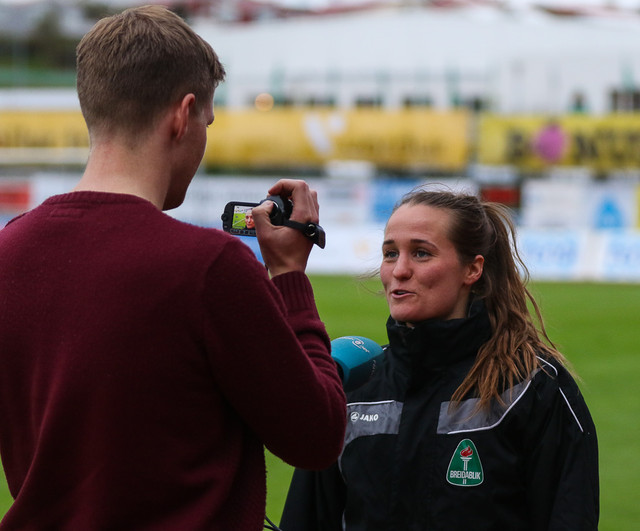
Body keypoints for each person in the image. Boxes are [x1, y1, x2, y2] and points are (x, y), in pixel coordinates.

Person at [0, 6, 346, 530]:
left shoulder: (9, 251)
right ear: (183, 115)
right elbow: (316, 436)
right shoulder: (209, 266)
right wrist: (290, 277)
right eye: (207, 121)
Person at [280, 188, 599, 530]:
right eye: (390, 254)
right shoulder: (355, 381)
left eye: (421, 253)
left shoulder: (531, 387)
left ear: (472, 269)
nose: (400, 270)